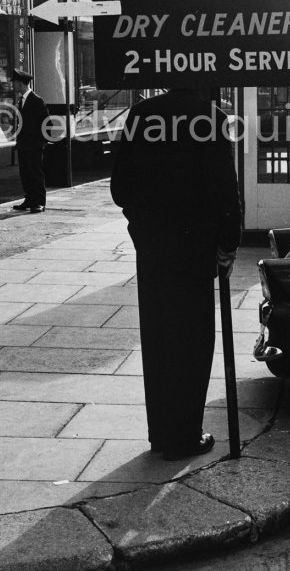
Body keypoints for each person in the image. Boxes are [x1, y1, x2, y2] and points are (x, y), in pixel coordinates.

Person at [110, 88, 242, 461]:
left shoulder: (140, 114)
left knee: (158, 339)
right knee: (193, 341)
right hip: (195, 248)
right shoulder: (209, 117)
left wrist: (141, 225)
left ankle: (162, 435)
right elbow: (225, 191)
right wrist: (228, 244)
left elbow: (120, 190)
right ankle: (185, 435)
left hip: (152, 248)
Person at [11, 68, 49, 214]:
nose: (13, 85)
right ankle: (29, 199)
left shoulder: (36, 100)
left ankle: (39, 202)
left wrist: (41, 142)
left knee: (35, 173)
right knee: (25, 173)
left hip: (34, 145)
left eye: (14, 82)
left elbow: (47, 123)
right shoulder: (22, 100)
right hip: (23, 145)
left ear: (20, 83)